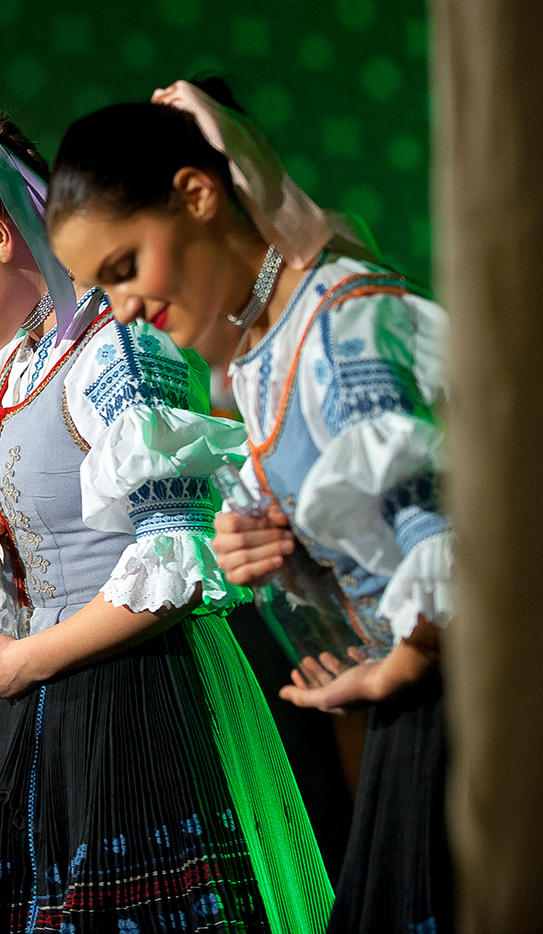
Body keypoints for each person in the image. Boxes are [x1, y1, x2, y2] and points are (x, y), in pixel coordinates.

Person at [0, 111, 332, 933]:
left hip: (132, 702)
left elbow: (176, 559)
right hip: (48, 706)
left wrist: (26, 661)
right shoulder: (18, 362)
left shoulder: (116, 349)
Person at [45, 78, 453, 934]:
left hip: (465, 703)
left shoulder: (342, 324)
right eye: (100, 287)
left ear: (197, 195)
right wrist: (274, 556)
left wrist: (402, 661)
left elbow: (443, 530)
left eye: (125, 268)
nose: (124, 308)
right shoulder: (258, 360)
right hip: (408, 702)